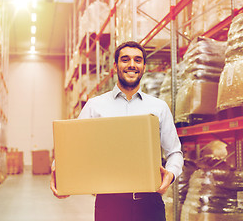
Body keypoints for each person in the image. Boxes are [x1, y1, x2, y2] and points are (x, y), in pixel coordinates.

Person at [51, 41, 184, 221]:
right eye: (125, 59)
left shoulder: (158, 107)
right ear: (115, 66)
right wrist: (60, 175)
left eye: (137, 60)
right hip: (109, 205)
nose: (131, 65)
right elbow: (73, 149)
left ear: (144, 67)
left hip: (149, 204)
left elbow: (175, 152)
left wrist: (171, 174)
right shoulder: (95, 106)